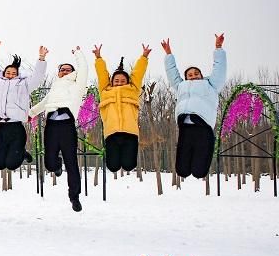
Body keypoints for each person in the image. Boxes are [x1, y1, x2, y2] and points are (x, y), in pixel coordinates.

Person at [29, 46, 88, 212]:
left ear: (73, 72)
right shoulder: (55, 87)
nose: (65, 71)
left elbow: (84, 68)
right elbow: (44, 103)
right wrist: (31, 113)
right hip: (52, 127)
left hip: (67, 126)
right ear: (58, 72)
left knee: (72, 164)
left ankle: (74, 197)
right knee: (49, 162)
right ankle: (56, 166)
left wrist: (78, 53)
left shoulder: (78, 85)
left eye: (68, 70)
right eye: (62, 70)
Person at [162, 34, 227, 179]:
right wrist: (168, 55)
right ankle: (184, 168)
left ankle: (202, 166)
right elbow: (172, 74)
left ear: (201, 75)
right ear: (186, 78)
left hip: (203, 126)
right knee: (182, 169)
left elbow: (220, 71)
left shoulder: (210, 84)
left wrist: (218, 48)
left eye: (196, 73)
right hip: (185, 127)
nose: (193, 76)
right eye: (190, 74)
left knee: (199, 171)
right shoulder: (181, 86)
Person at [0, 42, 48, 172]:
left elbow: (37, 78)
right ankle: (21, 152)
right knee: (0, 165)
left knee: (11, 164)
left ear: (18, 74)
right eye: (8, 72)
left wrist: (41, 59)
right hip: (2, 127)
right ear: (4, 73)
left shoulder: (24, 84)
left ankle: (22, 153)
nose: (10, 74)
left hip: (16, 128)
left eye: (13, 73)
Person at [93, 44, 150, 172]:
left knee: (129, 165)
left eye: (122, 80)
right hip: (111, 132)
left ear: (128, 82)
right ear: (112, 82)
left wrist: (144, 57)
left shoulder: (133, 90)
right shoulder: (105, 91)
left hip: (130, 132)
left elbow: (138, 74)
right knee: (112, 166)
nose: (119, 82)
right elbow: (102, 75)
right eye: (116, 81)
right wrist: (98, 58)